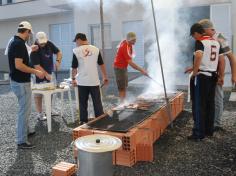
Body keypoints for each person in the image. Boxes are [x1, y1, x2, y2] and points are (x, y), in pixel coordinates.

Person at [7, 21, 44, 149]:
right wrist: (36, 71)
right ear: (27, 32)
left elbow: (20, 58)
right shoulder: (19, 44)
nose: (30, 36)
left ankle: (26, 131)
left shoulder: (15, 41)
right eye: (30, 33)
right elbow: (19, 65)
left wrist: (30, 49)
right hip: (21, 82)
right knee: (24, 110)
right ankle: (21, 140)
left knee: (24, 108)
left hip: (17, 81)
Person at [187, 23, 224, 141]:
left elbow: (198, 56)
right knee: (210, 104)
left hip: (202, 77)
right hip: (213, 76)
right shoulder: (216, 42)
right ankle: (209, 130)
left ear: (197, 33)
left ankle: (198, 133)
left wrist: (194, 71)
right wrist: (221, 76)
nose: (194, 38)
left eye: (193, 35)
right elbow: (221, 60)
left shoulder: (200, 42)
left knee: (199, 105)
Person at [198, 19, 236, 131]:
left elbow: (230, 59)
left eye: (201, 31)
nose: (200, 33)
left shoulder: (220, 38)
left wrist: (231, 75)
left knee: (218, 98)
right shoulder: (203, 38)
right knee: (207, 99)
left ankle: (217, 123)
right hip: (206, 73)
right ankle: (208, 121)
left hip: (216, 73)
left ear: (207, 29)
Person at [71, 33, 108, 125]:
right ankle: (100, 119)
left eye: (76, 41)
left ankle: (83, 121)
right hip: (94, 81)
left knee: (83, 102)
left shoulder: (76, 51)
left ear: (79, 39)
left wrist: (73, 79)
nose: (76, 43)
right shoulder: (96, 49)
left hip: (82, 81)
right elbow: (101, 64)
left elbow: (74, 67)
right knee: (97, 102)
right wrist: (104, 76)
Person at [30, 31, 62, 121]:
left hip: (49, 71)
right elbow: (37, 66)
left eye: (44, 42)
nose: (43, 43)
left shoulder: (49, 44)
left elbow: (59, 52)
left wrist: (58, 61)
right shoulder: (34, 49)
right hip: (37, 74)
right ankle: (39, 114)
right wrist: (46, 74)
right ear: (37, 40)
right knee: (39, 94)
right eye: (41, 42)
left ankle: (49, 110)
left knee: (50, 91)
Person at [113, 32, 148, 103]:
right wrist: (142, 70)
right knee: (122, 87)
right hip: (119, 68)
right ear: (129, 40)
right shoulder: (124, 47)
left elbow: (130, 59)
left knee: (124, 86)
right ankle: (122, 104)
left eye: (135, 39)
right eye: (133, 40)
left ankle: (123, 101)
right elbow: (131, 63)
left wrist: (142, 70)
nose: (135, 41)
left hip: (123, 67)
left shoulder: (129, 45)